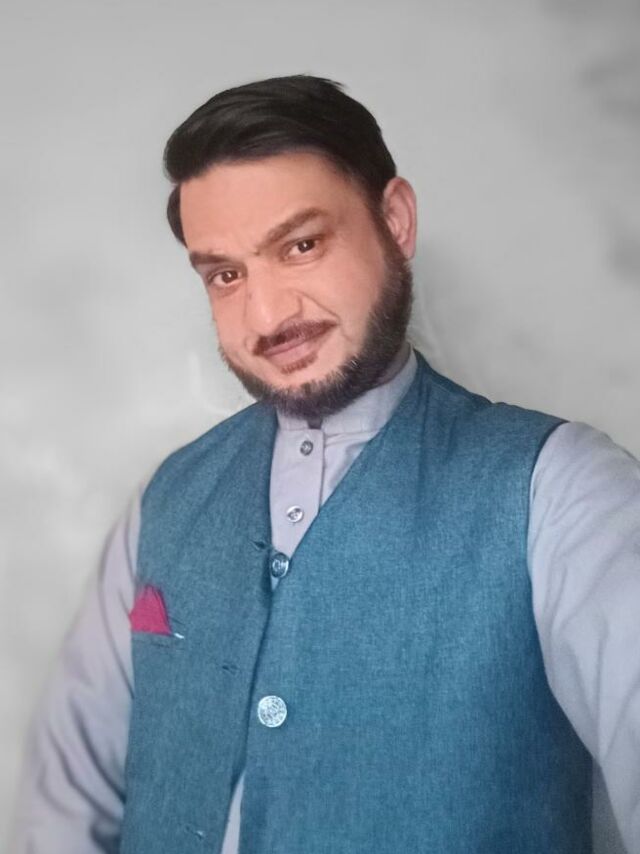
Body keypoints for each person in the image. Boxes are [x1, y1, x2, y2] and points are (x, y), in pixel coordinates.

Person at [10, 75, 640, 854]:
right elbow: (62, 815)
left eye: (301, 246)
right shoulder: (166, 501)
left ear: (395, 220)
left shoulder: (565, 488)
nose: (268, 315)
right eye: (226, 274)